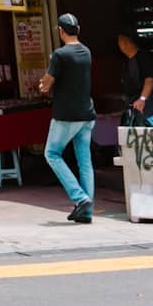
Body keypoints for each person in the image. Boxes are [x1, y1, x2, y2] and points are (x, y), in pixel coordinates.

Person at [39, 12, 96, 223]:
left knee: (52, 154)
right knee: (85, 162)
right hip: (87, 114)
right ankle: (86, 211)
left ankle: (80, 198)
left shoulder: (59, 55)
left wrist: (42, 84)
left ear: (60, 31)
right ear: (78, 30)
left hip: (66, 115)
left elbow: (47, 83)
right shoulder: (87, 52)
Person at [118, 26, 153, 127]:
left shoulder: (143, 58)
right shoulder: (127, 61)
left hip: (145, 110)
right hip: (132, 110)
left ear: (125, 42)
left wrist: (142, 99)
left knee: (146, 141)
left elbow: (149, 80)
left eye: (119, 41)